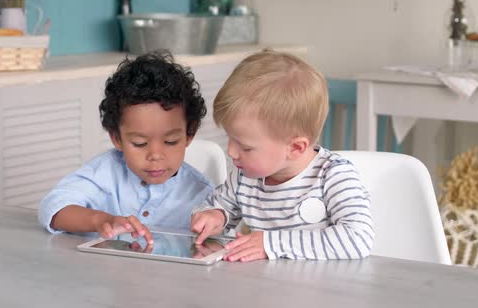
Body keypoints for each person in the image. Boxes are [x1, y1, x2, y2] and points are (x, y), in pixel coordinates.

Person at [190, 50, 374, 262]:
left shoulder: (333, 175)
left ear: (295, 148)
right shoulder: (245, 175)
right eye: (230, 138)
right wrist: (215, 216)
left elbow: (357, 238)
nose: (231, 152)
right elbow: (220, 206)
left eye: (245, 147)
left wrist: (270, 244)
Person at [38, 51, 212, 245]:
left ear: (189, 133)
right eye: (140, 143)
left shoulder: (200, 192)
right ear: (116, 138)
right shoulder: (104, 172)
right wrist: (101, 220)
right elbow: (53, 209)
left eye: (171, 141)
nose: (155, 155)